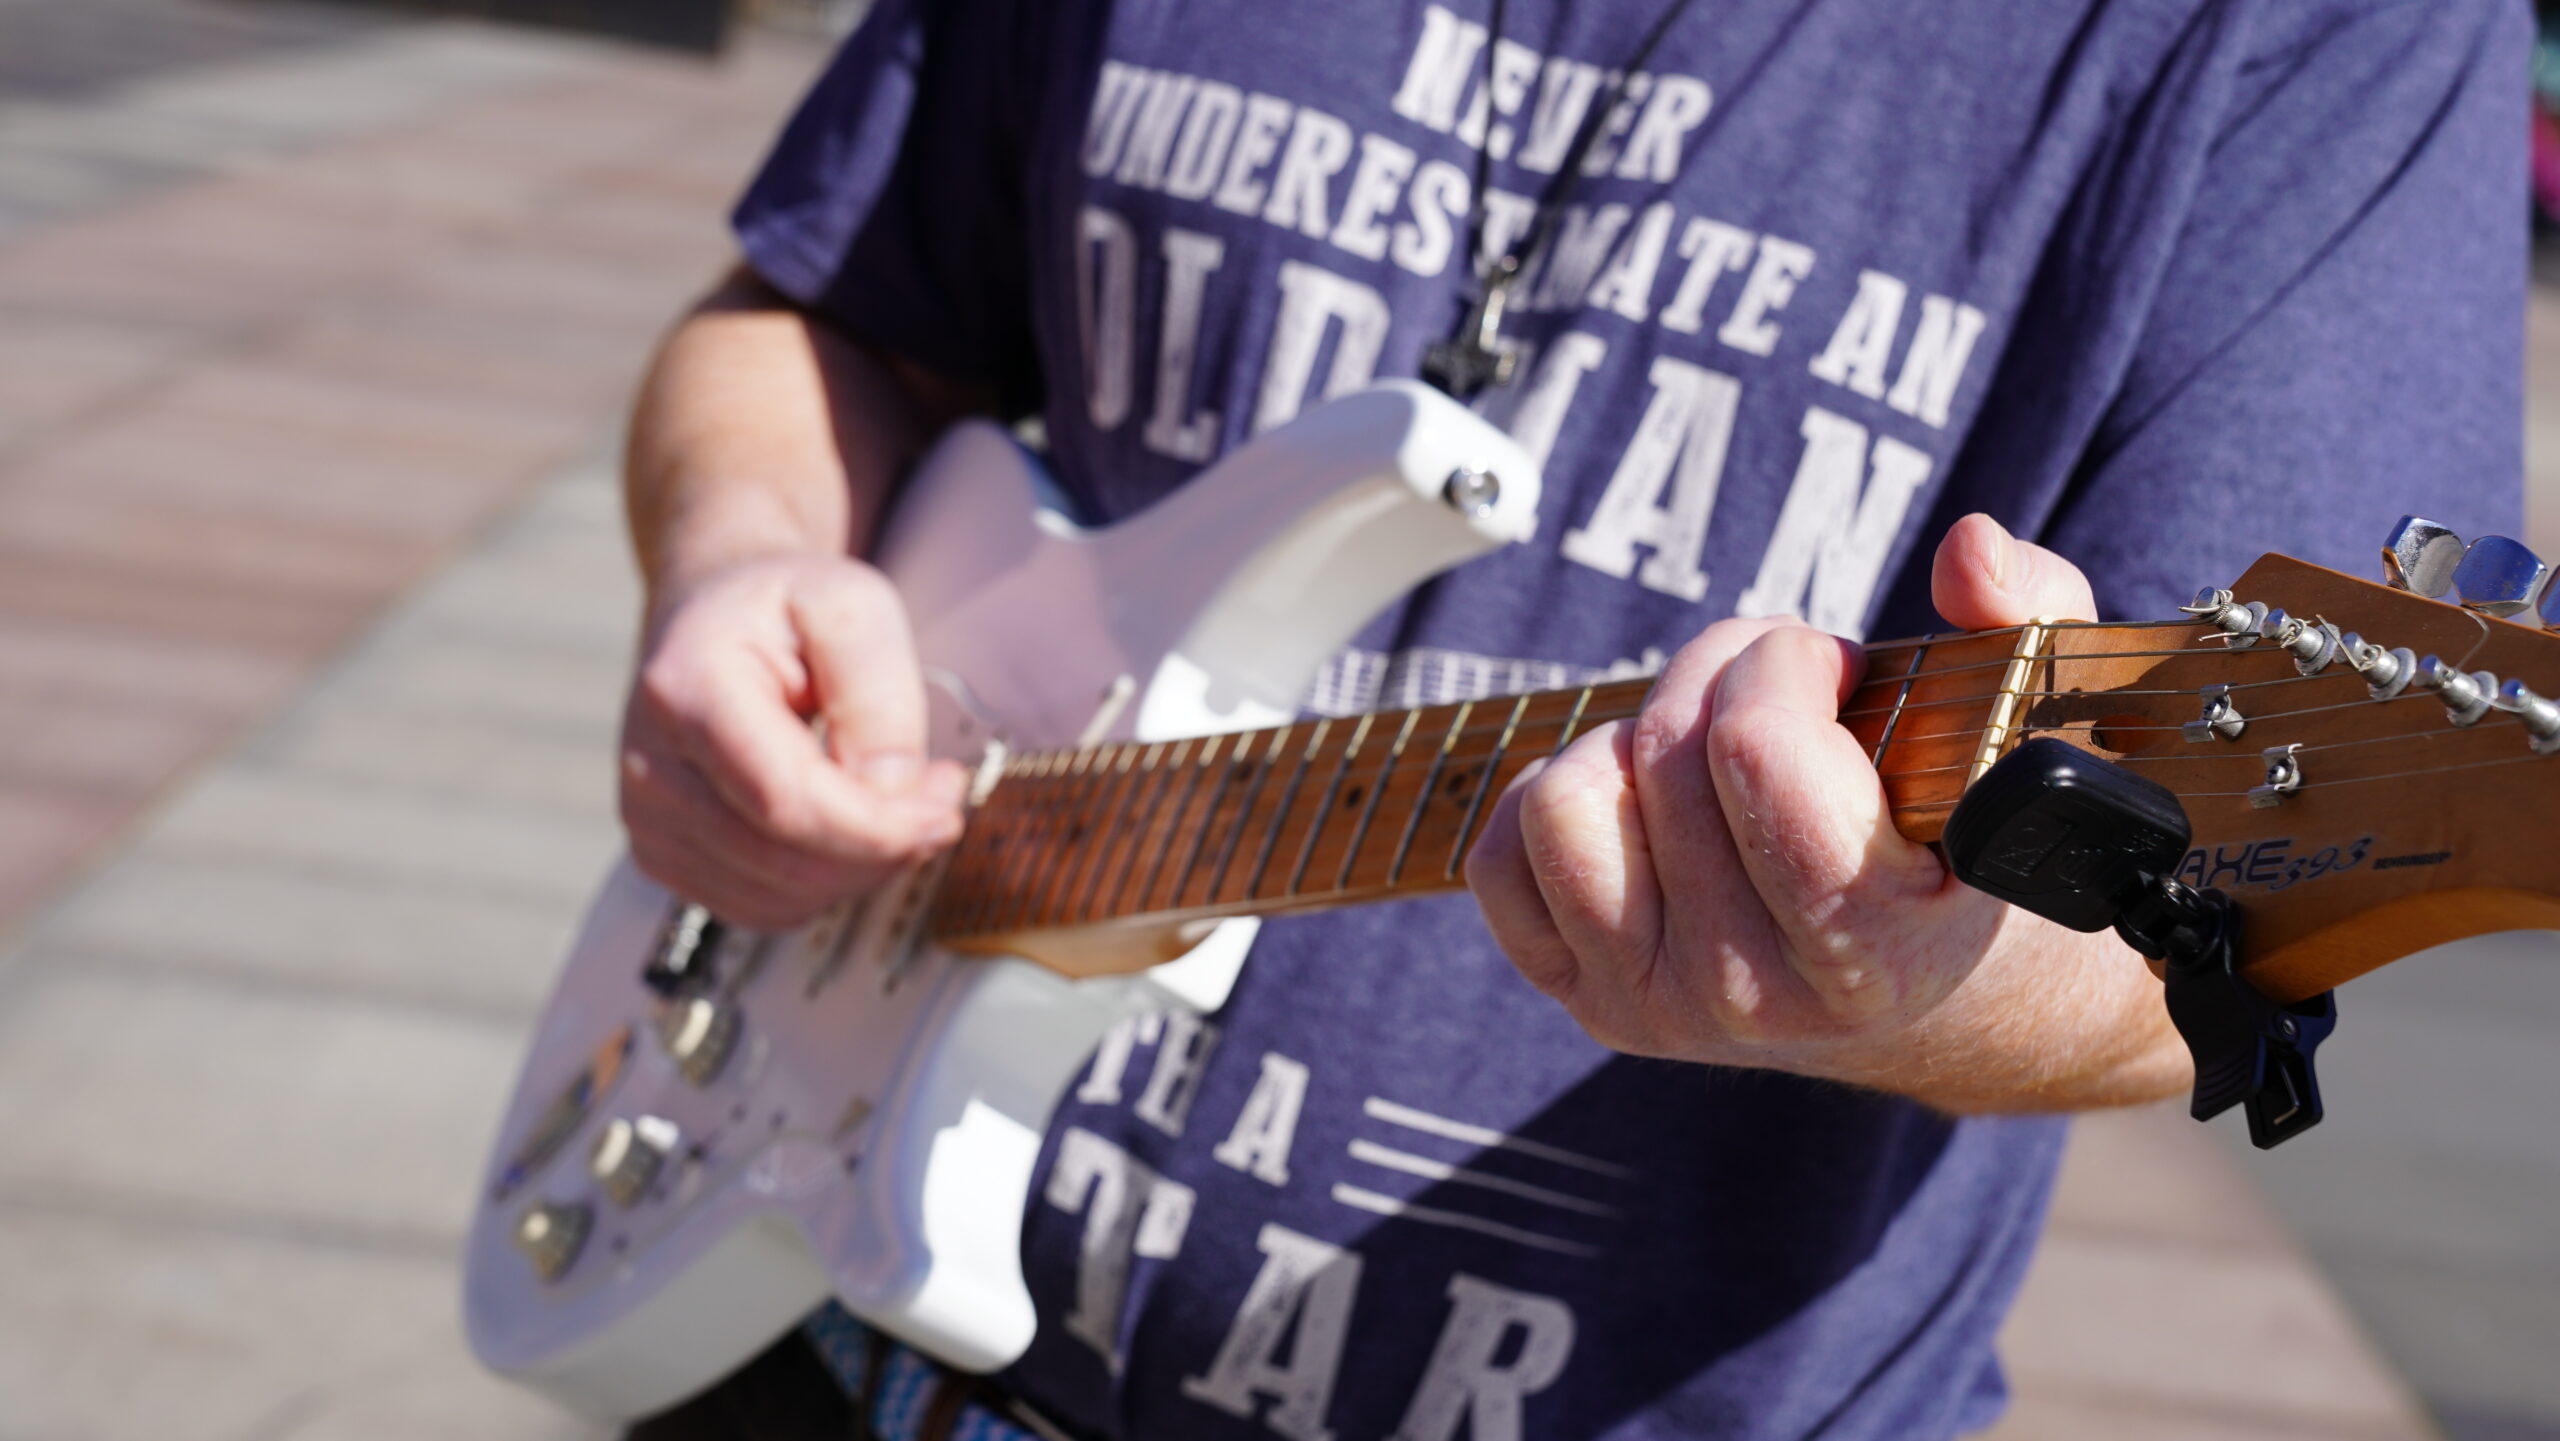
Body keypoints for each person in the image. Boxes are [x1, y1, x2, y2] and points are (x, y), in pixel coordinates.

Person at [614, 1, 2527, 1436]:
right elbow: (823, 319)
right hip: (802, 1304)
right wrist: (742, 551)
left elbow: (2194, 940)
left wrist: (1907, 967)